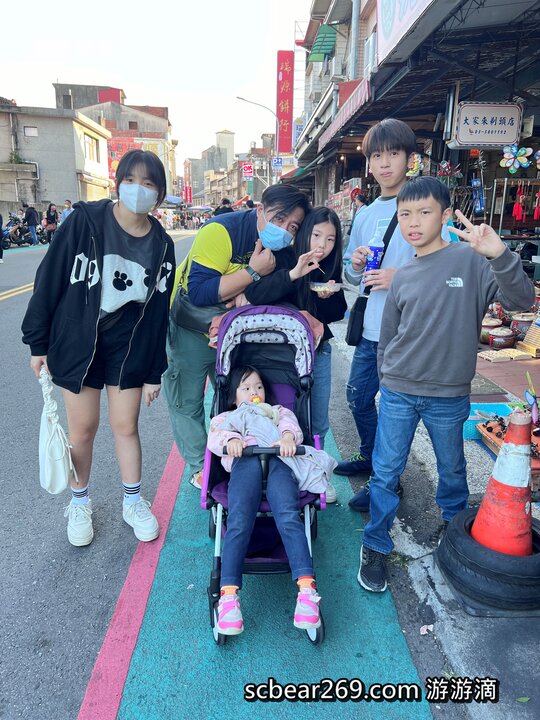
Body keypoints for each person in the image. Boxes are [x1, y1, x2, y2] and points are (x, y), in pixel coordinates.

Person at [358, 176, 535, 593]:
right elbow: (389, 336)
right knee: (385, 472)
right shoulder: (402, 275)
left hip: (448, 395)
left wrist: (500, 254)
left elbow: (522, 301)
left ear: (443, 214)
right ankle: (375, 543)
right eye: (405, 214)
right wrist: (388, 378)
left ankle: (454, 539)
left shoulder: (471, 261)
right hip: (400, 391)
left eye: (424, 212)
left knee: (452, 471)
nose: (413, 222)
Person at [21, 150, 176, 547]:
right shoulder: (85, 221)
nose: (138, 190)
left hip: (129, 344)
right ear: (118, 182)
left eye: (149, 184)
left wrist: (155, 371)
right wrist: (38, 342)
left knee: (126, 426)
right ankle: (79, 502)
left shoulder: (161, 244)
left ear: (159, 194)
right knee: (83, 429)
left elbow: (159, 312)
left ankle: (133, 501)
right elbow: (49, 279)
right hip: (79, 339)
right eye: (132, 180)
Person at [163, 184, 311, 489]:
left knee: (234, 394)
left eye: (292, 225)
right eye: (278, 218)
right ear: (259, 210)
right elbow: (201, 291)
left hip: (236, 332)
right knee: (186, 400)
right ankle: (198, 466)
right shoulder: (221, 231)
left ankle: (233, 453)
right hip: (194, 325)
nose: (283, 229)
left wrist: (249, 293)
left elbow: (283, 287)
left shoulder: (285, 247)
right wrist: (252, 274)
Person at [207, 366, 326, 635]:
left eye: (258, 387)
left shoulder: (276, 412)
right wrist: (233, 440)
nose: (254, 392)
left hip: (279, 463)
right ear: (234, 397)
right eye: (246, 388)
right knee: (238, 521)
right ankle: (228, 596)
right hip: (245, 464)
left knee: (288, 515)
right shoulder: (228, 417)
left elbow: (290, 425)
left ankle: (307, 592)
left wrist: (286, 437)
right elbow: (215, 436)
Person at [334, 118, 418, 504]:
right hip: (370, 327)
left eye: (393, 154)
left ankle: (388, 479)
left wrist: (397, 276)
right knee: (357, 397)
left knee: (398, 412)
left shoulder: (422, 207)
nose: (385, 164)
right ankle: (371, 456)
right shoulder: (366, 214)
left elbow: (442, 266)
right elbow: (352, 269)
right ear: (368, 163)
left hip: (407, 332)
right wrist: (356, 263)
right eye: (377, 156)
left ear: (409, 159)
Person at [244, 206, 346, 500]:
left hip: (319, 352)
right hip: (282, 354)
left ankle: (317, 473)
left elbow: (335, 313)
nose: (321, 245)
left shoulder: (330, 265)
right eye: (316, 235)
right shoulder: (284, 258)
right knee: (286, 413)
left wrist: (328, 296)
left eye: (330, 239)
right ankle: (282, 471)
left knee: (318, 420)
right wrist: (293, 274)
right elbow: (257, 295)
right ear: (304, 234)